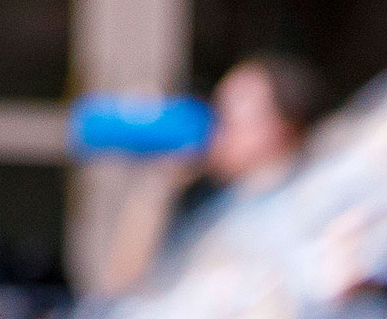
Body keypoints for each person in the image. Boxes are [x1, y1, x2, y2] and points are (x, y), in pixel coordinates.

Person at [96, 53, 325, 296]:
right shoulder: (218, 205)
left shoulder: (298, 211)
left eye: (231, 117)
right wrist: (157, 184)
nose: (215, 129)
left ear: (282, 127)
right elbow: (123, 287)